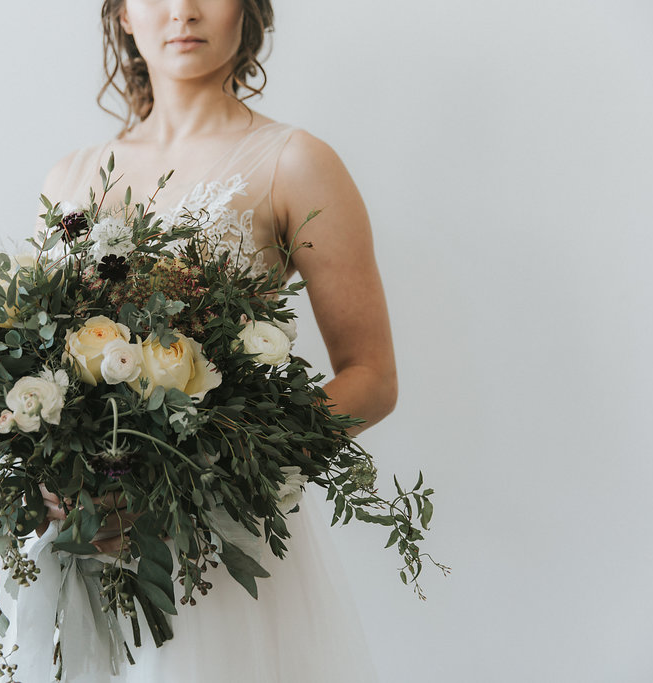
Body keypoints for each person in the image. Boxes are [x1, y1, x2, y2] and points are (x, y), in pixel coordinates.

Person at [27, 1, 396, 680]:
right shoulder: (69, 178)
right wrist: (49, 480)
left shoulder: (295, 163)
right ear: (123, 14)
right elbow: (36, 362)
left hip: (213, 552)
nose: (183, 11)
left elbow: (371, 376)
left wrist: (202, 478)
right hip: (85, 549)